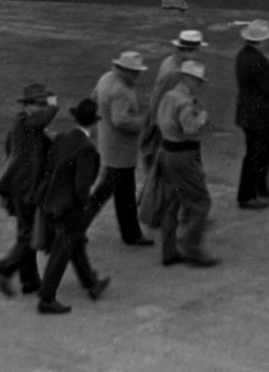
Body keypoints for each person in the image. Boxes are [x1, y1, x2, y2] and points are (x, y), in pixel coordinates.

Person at [36, 99, 109, 314]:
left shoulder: (62, 138)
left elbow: (50, 165)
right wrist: (85, 207)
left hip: (52, 202)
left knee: (75, 245)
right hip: (71, 209)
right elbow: (82, 186)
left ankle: (91, 283)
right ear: (94, 124)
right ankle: (46, 299)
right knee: (62, 251)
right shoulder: (87, 149)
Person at [0, 83, 60, 298]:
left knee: (26, 232)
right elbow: (42, 120)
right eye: (38, 103)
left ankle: (29, 280)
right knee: (31, 235)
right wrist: (53, 102)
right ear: (28, 105)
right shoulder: (25, 122)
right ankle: (4, 269)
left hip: (23, 187)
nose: (41, 107)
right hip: (25, 188)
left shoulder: (27, 125)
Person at [153, 61, 218, 267]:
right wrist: (202, 118)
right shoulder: (185, 102)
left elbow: (159, 121)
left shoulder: (169, 96)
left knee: (172, 201)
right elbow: (190, 130)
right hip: (184, 154)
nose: (199, 85)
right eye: (198, 81)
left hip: (167, 151)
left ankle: (169, 250)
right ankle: (192, 246)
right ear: (188, 79)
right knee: (200, 201)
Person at [87, 50, 154, 247]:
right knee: (120, 193)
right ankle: (131, 234)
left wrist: (103, 116)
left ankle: (129, 233)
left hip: (108, 144)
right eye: (135, 72)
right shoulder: (122, 90)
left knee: (111, 191)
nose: (138, 75)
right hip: (121, 150)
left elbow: (93, 98)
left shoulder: (106, 78)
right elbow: (121, 120)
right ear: (125, 70)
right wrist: (141, 122)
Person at [234, 20, 269, 209]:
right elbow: (267, 87)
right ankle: (249, 194)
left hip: (246, 112)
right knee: (260, 154)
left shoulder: (242, 56)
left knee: (257, 152)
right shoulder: (258, 60)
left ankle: (259, 188)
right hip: (259, 114)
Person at [141, 30, 207, 171]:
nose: (198, 55)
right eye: (196, 51)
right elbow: (160, 101)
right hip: (167, 130)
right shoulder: (176, 72)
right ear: (190, 51)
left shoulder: (171, 62)